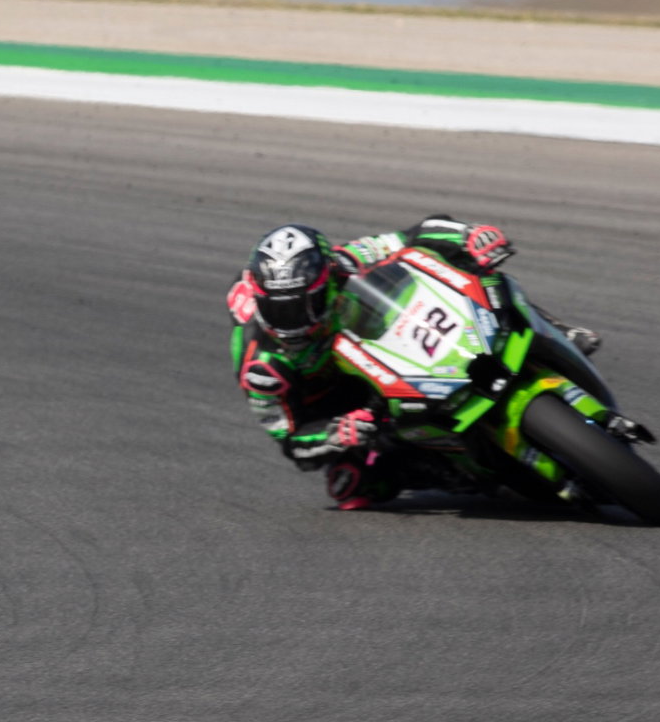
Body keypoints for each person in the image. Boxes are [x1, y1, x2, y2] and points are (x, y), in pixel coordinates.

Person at [225, 216, 601, 509]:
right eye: (278, 308)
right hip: (345, 402)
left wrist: (468, 236)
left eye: (305, 304)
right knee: (353, 484)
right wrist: (334, 433)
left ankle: (555, 331)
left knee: (480, 275)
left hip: (388, 345)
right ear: (259, 299)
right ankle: (456, 473)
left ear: (327, 279)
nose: (294, 321)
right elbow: (292, 442)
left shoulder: (344, 261)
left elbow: (419, 233)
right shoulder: (261, 367)